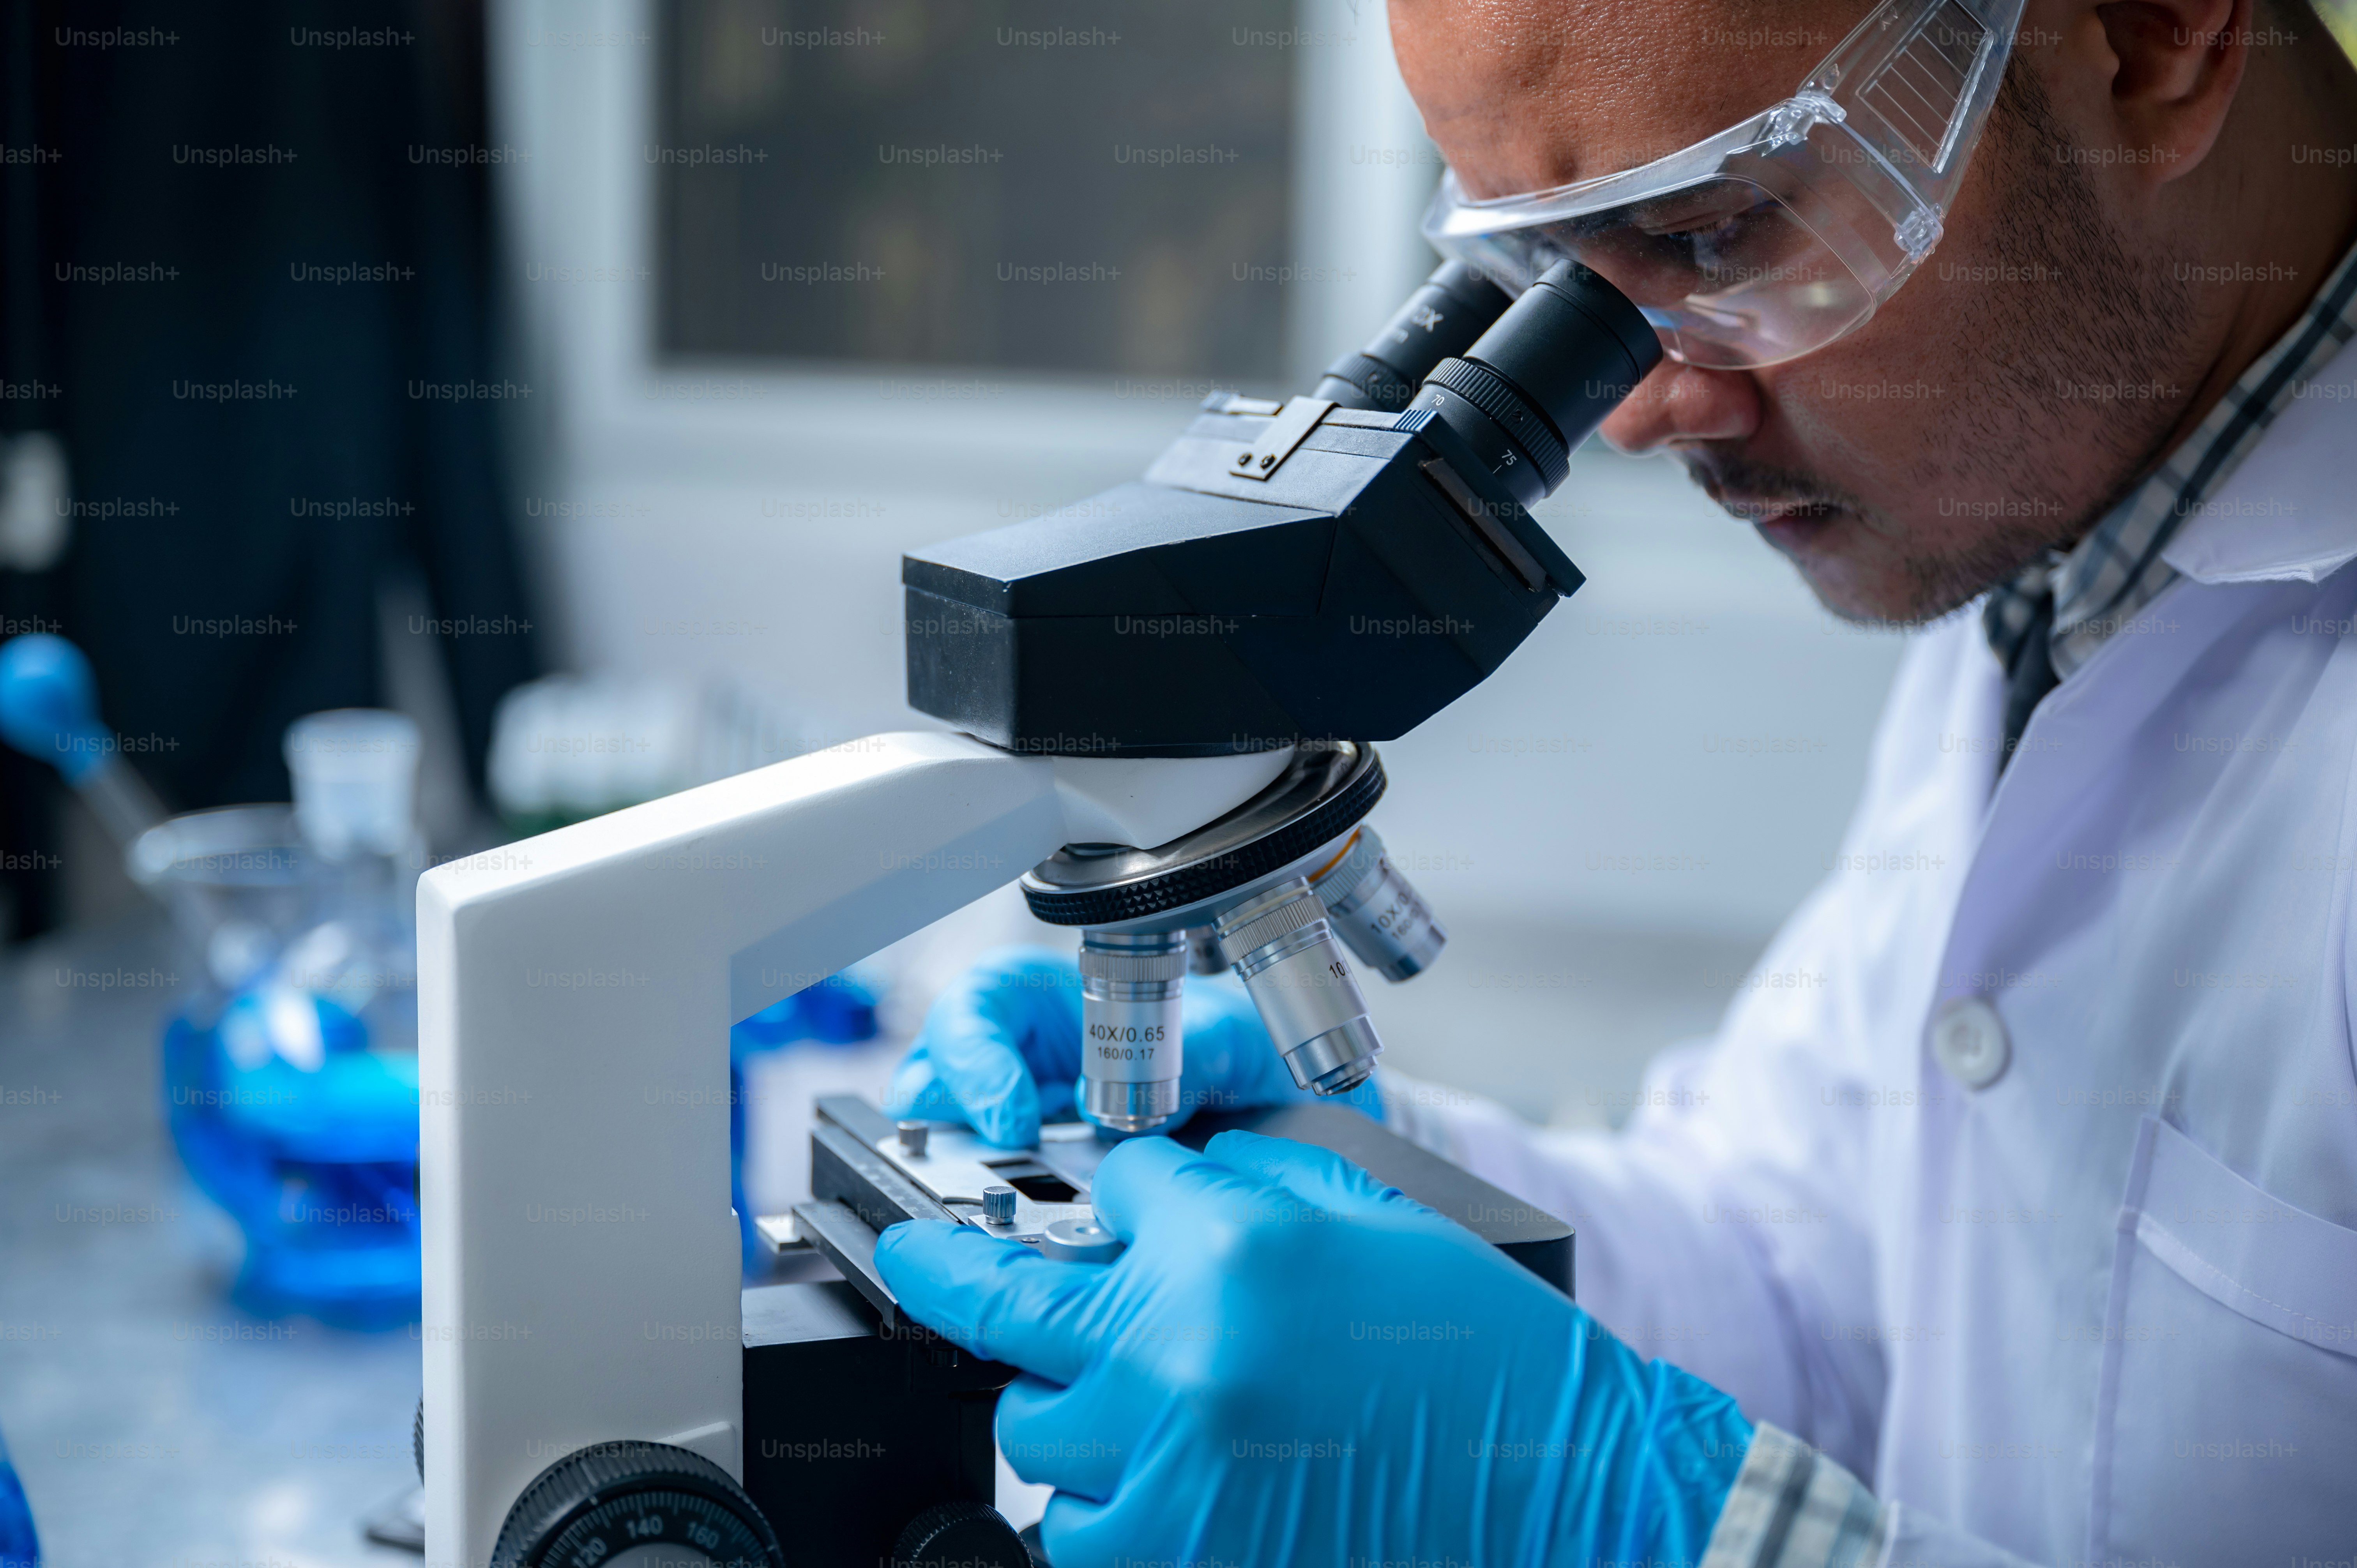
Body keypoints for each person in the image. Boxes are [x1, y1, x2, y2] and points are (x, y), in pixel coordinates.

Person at [876, 0, 2357, 1562]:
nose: (1643, 408)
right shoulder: (2061, 550)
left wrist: (1627, 1516)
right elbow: (1822, 1277)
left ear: (2147, 34)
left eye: (1719, 232)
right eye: (1541, 275)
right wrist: (1359, 1187)